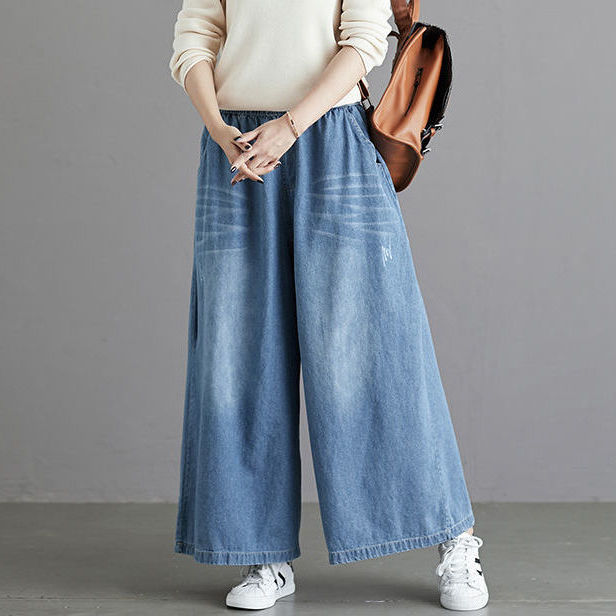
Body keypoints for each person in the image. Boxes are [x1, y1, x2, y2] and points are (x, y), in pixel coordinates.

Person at [168, 0, 489, 611]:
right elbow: (195, 36)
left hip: (331, 138)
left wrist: (289, 127)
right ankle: (261, 554)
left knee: (374, 349)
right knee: (236, 356)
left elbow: (364, 40)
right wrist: (218, 129)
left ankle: (454, 538)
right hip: (236, 148)